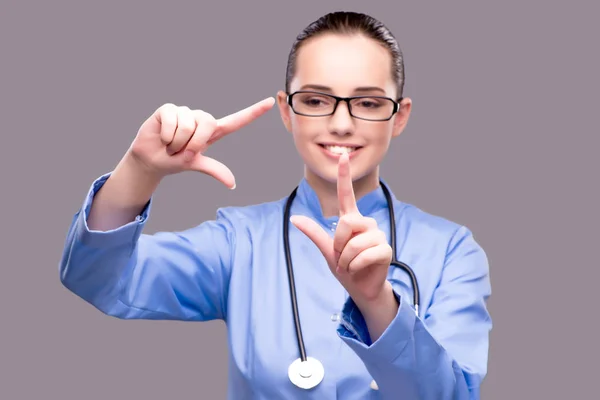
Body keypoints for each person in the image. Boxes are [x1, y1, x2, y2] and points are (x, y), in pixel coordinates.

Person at [58, 10, 492, 400]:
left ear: (399, 116)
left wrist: (378, 302)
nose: (341, 124)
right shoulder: (238, 241)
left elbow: (453, 396)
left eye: (368, 103)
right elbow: (97, 279)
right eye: (317, 100)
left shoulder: (452, 249)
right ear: (287, 111)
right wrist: (138, 169)